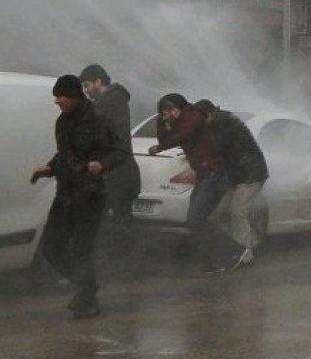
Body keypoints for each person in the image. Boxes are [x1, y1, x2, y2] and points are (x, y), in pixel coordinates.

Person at [30, 75, 128, 319]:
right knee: (52, 248)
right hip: (65, 194)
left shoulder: (97, 120)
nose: (56, 101)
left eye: (59, 96)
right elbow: (65, 154)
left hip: (90, 195)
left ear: (72, 96)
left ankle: (88, 299)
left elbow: (121, 151)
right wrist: (49, 168)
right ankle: (87, 286)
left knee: (81, 249)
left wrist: (101, 164)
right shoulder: (63, 121)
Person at [148, 94, 232, 272]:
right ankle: (219, 257)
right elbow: (164, 139)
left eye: (170, 111)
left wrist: (161, 147)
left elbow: (182, 135)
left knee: (196, 219)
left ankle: (232, 252)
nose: (168, 115)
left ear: (180, 107)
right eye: (164, 113)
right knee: (194, 220)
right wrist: (161, 122)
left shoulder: (193, 116)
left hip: (214, 174)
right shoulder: (178, 121)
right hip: (204, 175)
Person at [193, 100, 269, 270]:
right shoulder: (216, 123)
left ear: (209, 115)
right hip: (237, 176)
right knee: (220, 213)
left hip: (251, 175)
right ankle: (238, 247)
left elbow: (217, 149)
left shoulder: (225, 124)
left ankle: (246, 256)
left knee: (238, 210)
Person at [78, 64, 141, 247]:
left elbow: (116, 138)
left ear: (99, 81)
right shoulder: (107, 102)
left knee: (119, 220)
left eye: (87, 85)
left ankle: (132, 262)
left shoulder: (114, 101)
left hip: (119, 173)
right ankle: (120, 261)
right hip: (114, 172)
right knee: (109, 219)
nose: (86, 90)